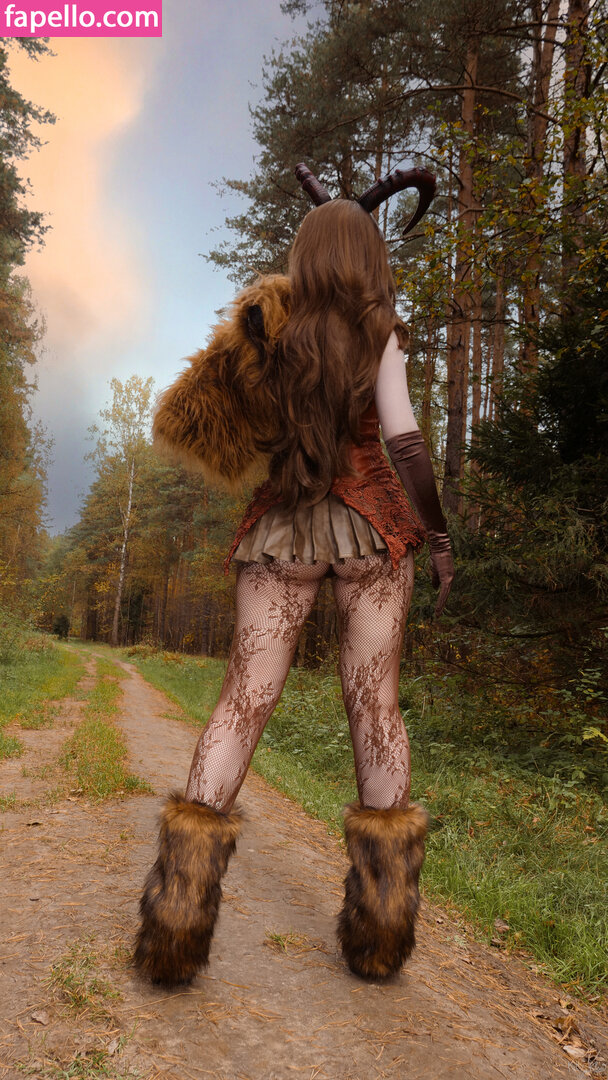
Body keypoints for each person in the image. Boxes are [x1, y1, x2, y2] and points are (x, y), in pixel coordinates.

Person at [133, 165, 454, 988]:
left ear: (305, 252)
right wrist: (438, 533)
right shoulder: (382, 330)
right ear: (369, 255)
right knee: (374, 704)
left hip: (284, 526)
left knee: (243, 700)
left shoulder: (268, 327)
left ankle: (175, 926)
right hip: (373, 526)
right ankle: (382, 933)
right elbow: (405, 441)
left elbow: (224, 420)